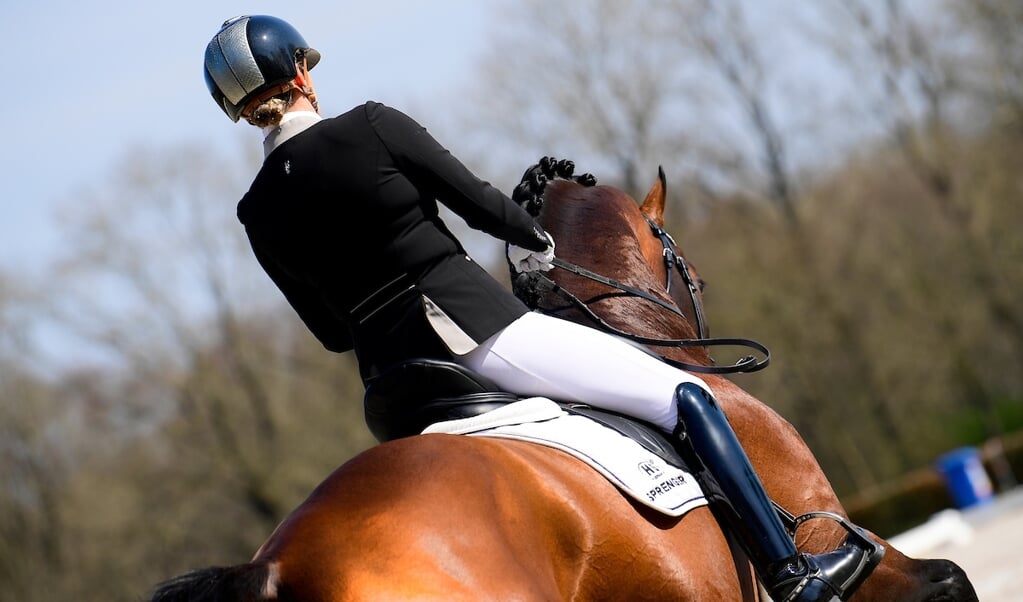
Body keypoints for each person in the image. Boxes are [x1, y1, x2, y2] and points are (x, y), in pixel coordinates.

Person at [204, 15, 881, 601]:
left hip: (391, 395)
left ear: (238, 109)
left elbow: (328, 332)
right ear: (302, 75)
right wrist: (534, 242)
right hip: (476, 338)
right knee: (682, 394)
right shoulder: (371, 125)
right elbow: (479, 203)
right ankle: (795, 576)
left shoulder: (254, 211)